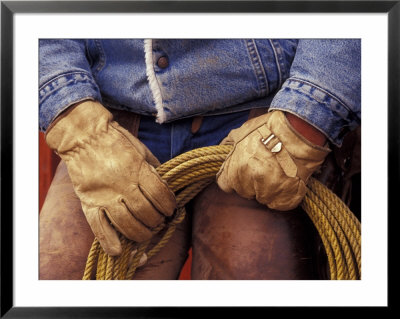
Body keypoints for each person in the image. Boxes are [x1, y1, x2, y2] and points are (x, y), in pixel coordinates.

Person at [39, 39, 361, 280]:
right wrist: (77, 127)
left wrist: (305, 119)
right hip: (109, 124)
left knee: (257, 277)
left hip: (264, 118)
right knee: (57, 281)